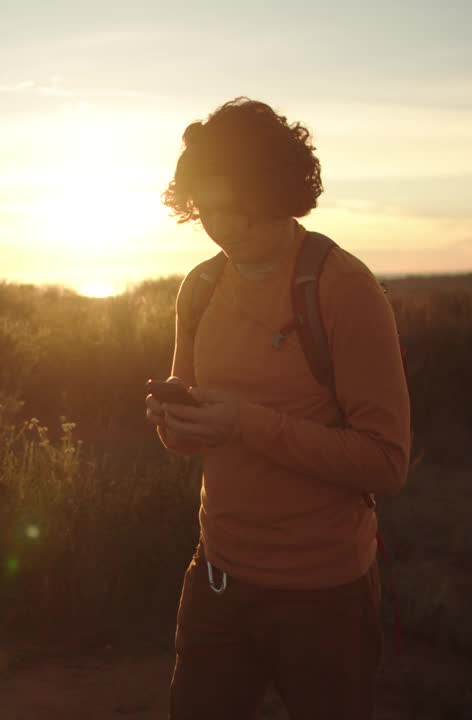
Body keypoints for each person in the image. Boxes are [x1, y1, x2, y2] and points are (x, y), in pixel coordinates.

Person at [145, 98, 411, 719]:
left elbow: (387, 461)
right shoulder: (201, 287)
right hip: (218, 576)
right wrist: (176, 424)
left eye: (238, 205)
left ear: (280, 189)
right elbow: (193, 437)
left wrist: (243, 422)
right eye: (207, 209)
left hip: (324, 594)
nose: (224, 225)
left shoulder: (344, 287)